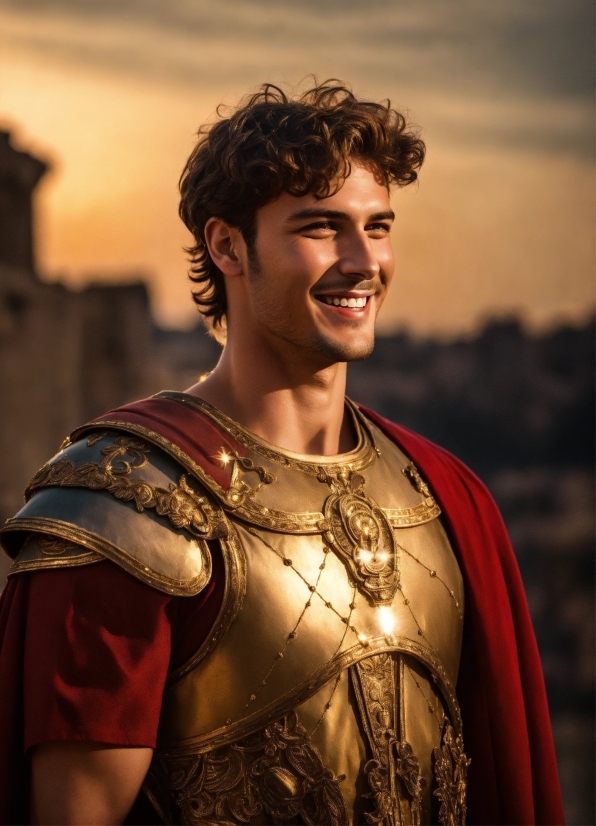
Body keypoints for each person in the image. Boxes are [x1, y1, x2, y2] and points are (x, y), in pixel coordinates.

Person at [0, 81, 564, 826]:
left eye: (379, 227)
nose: (363, 261)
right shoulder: (122, 509)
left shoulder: (449, 500)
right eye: (322, 228)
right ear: (226, 245)